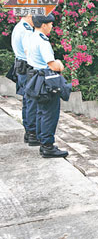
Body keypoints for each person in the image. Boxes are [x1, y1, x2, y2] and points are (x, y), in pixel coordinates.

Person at [26, 14, 71, 158]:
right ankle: (48, 146)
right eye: (50, 24)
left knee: (41, 111)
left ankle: (42, 141)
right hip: (46, 79)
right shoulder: (42, 41)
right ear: (44, 25)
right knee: (50, 113)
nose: (52, 26)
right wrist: (60, 64)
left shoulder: (31, 37)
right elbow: (53, 65)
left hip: (35, 77)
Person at [11, 15, 36, 145]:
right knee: (31, 101)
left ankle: (29, 131)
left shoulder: (19, 27)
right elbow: (28, 51)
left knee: (27, 100)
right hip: (27, 68)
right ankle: (32, 133)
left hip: (21, 68)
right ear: (29, 15)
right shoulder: (25, 30)